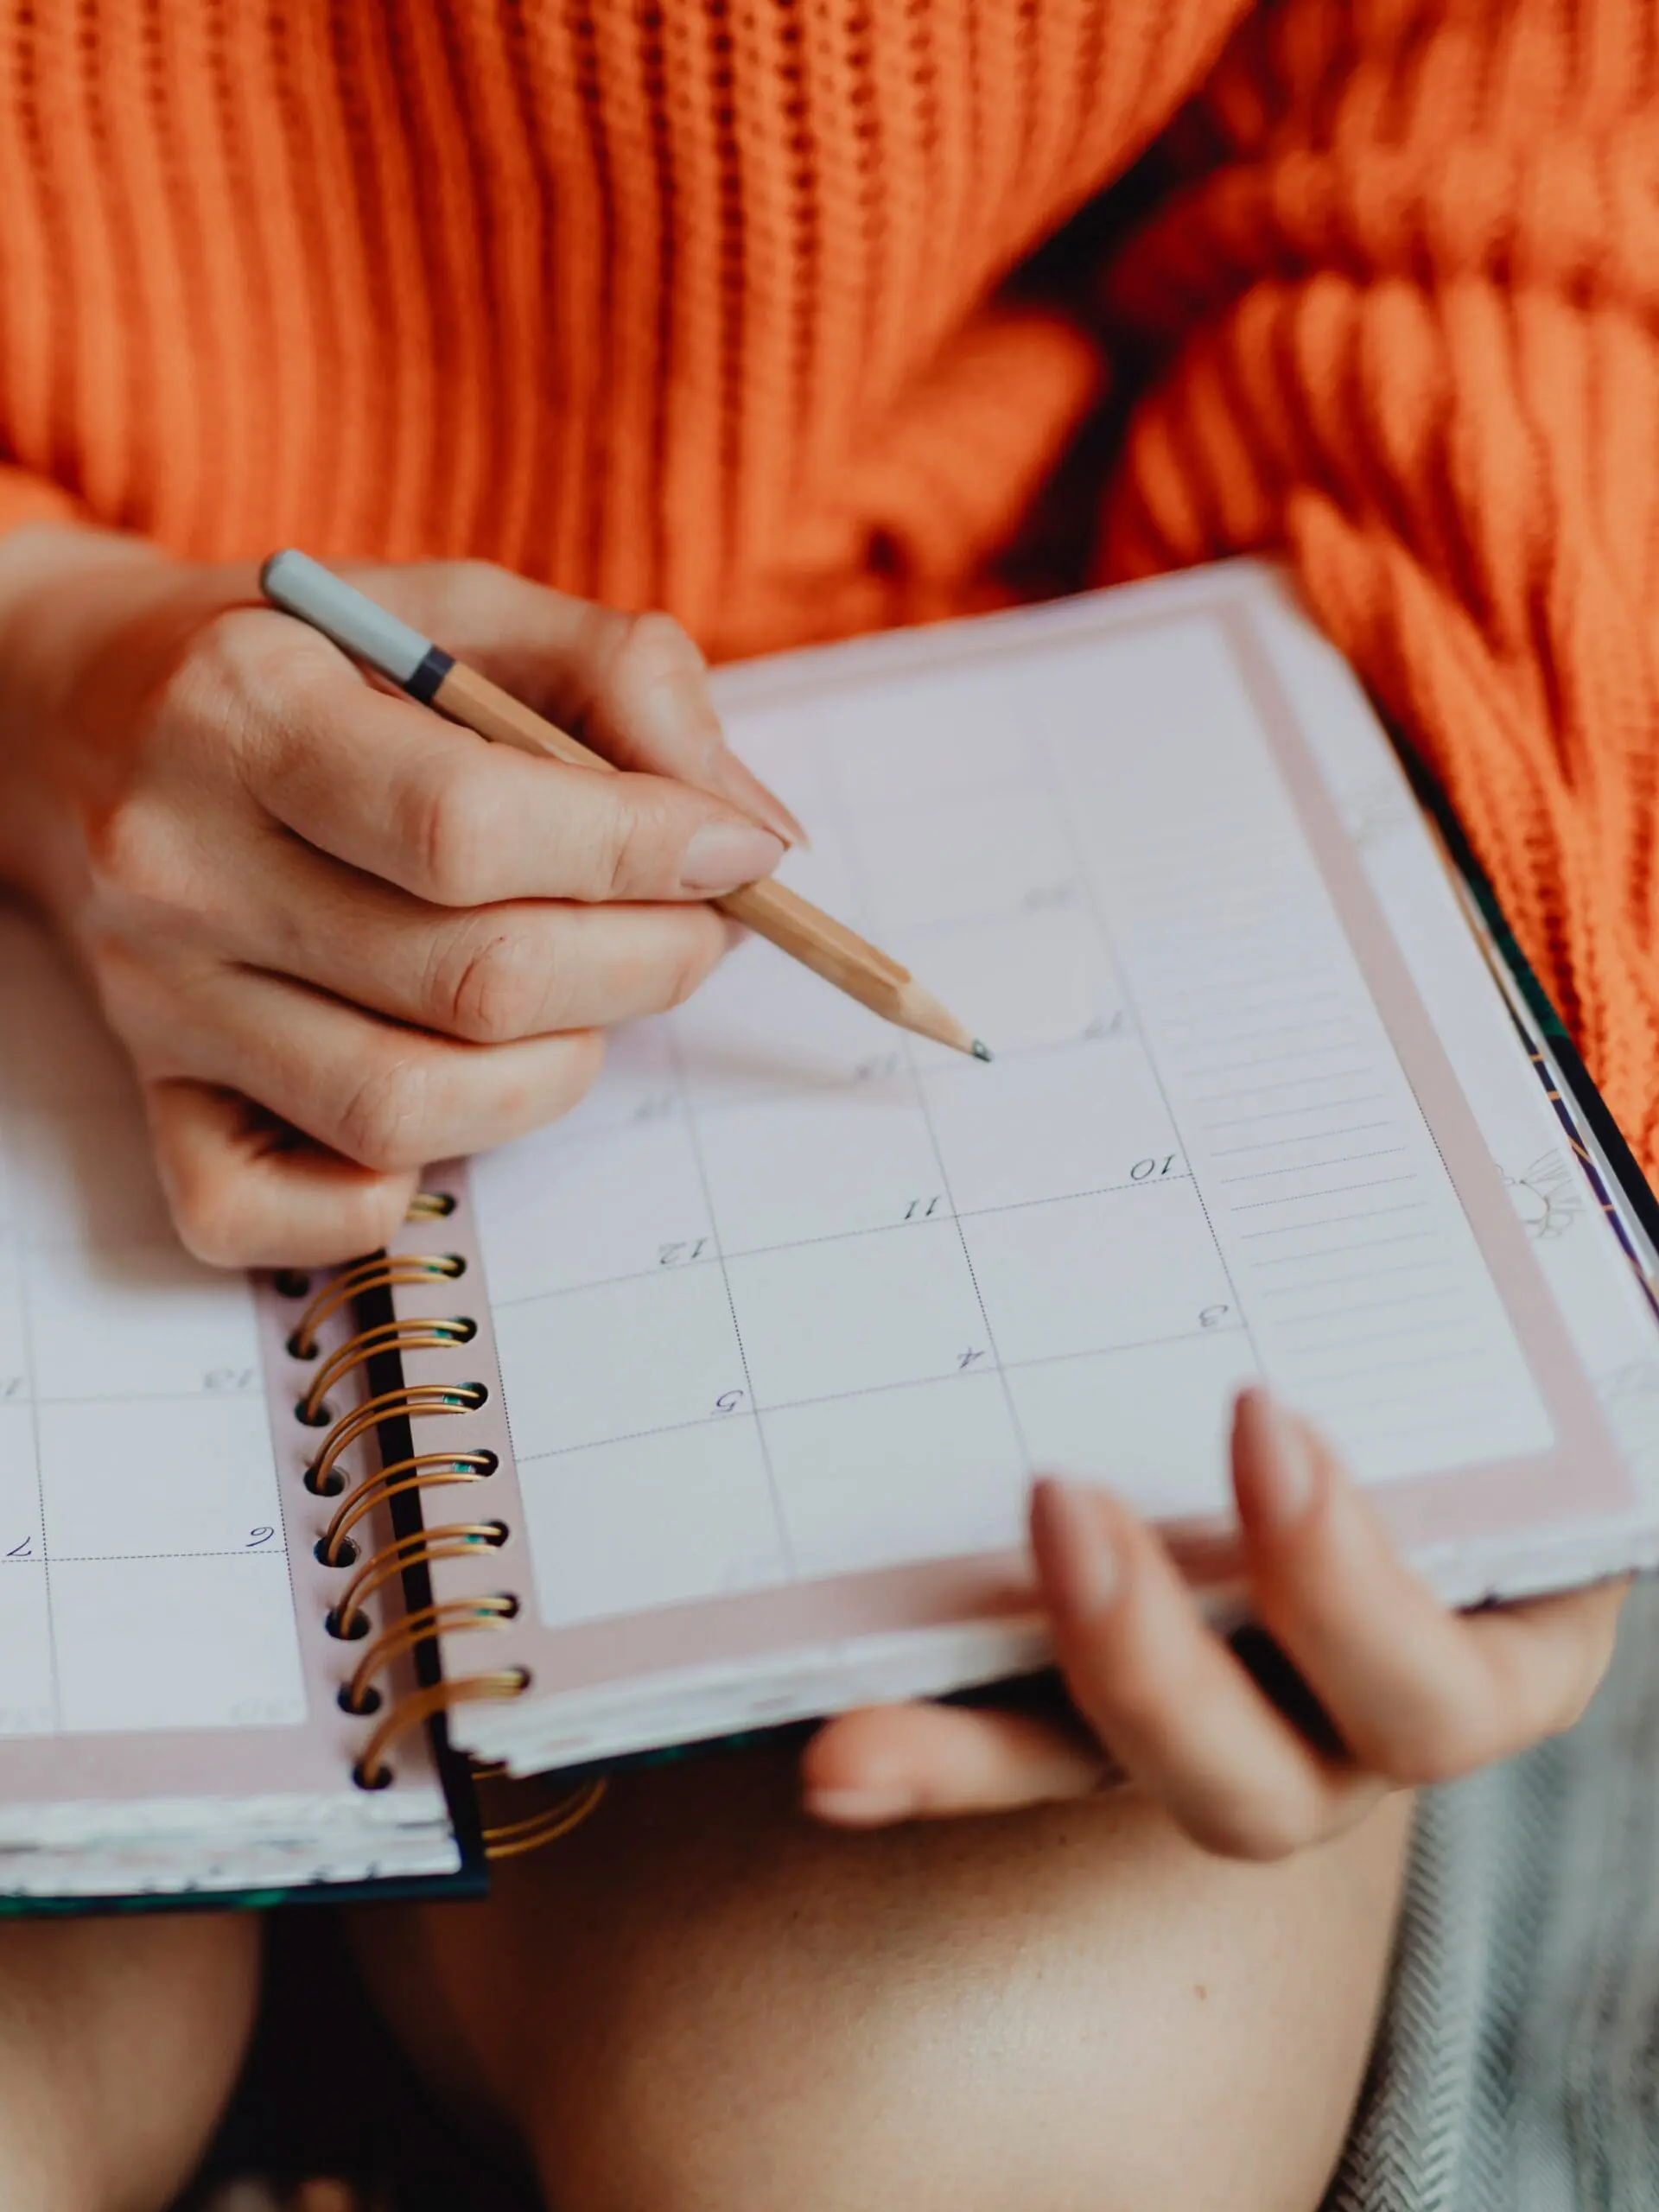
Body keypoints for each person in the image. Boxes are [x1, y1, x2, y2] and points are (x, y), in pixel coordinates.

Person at [0, 1, 1648, 2205]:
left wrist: (1502, 1157)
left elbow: (1509, 182)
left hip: (1015, 706)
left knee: (986, 2127)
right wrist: (43, 652)